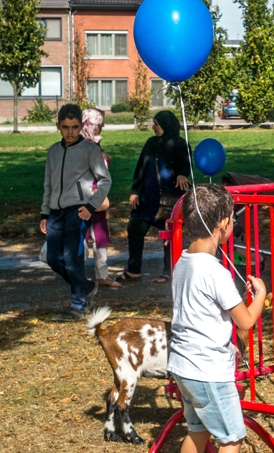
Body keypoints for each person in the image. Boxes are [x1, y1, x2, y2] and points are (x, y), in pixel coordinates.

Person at [169, 184, 266, 453]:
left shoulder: (183, 262)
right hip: (209, 372)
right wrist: (261, 295)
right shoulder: (215, 272)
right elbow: (246, 321)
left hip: (183, 366)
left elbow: (201, 316)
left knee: (196, 429)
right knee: (231, 438)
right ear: (223, 225)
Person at [40, 104, 112, 320]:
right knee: (53, 259)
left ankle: (78, 305)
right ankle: (86, 286)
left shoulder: (90, 151)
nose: (70, 132)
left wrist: (91, 206)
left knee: (72, 258)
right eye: (65, 127)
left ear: (81, 126)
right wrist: (45, 213)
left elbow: (105, 179)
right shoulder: (53, 152)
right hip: (55, 212)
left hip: (78, 211)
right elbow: (48, 184)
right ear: (58, 127)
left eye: (74, 127)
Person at [120, 110, 192, 284]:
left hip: (169, 199)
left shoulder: (180, 144)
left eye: (156, 124)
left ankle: (170, 271)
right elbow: (141, 167)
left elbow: (186, 163)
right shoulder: (151, 143)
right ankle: (133, 269)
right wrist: (135, 191)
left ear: (166, 125)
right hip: (147, 198)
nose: (153, 127)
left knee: (169, 235)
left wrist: (182, 174)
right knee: (135, 228)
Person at [81, 108, 120, 290]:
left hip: (95, 196)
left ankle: (100, 274)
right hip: (86, 197)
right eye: (99, 124)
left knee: (99, 235)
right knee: (84, 235)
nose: (102, 126)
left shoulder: (93, 144)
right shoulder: (84, 147)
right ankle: (82, 275)